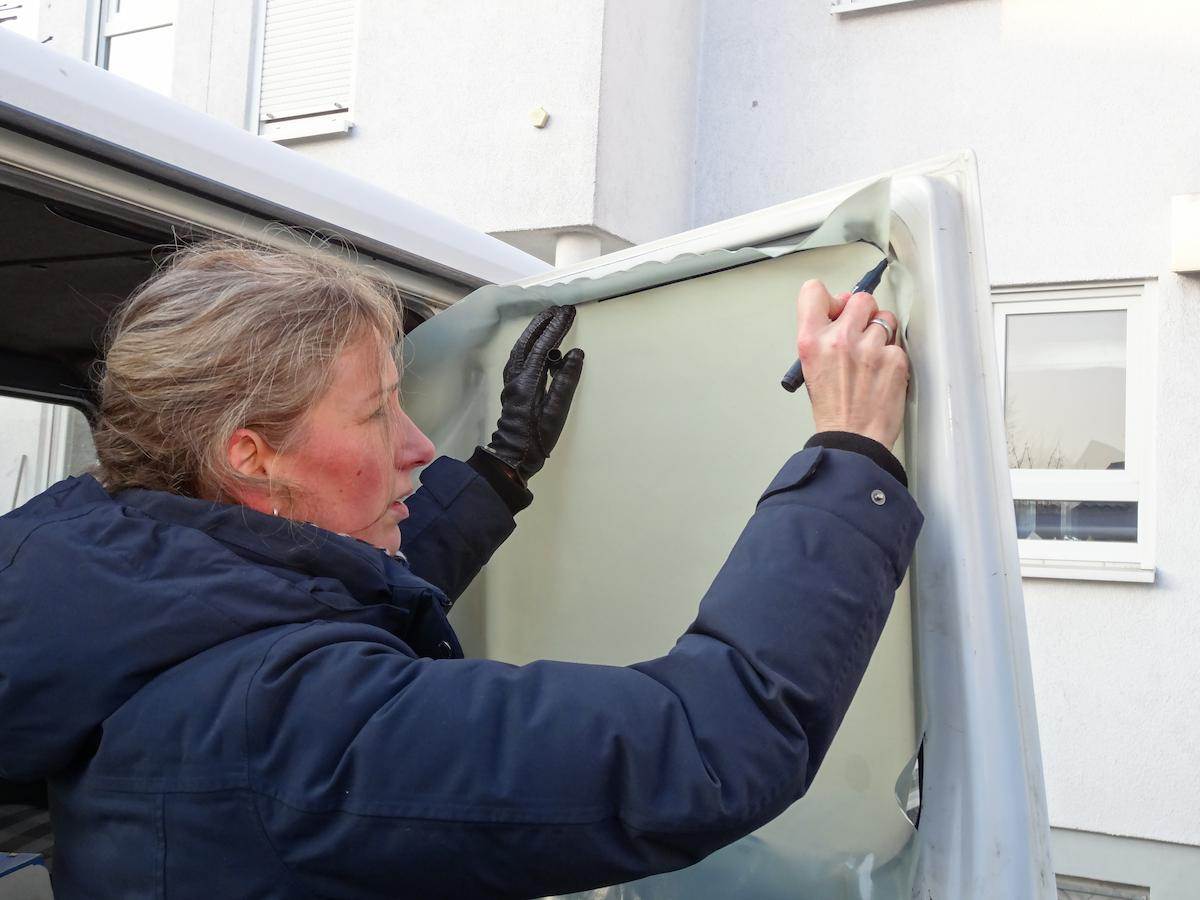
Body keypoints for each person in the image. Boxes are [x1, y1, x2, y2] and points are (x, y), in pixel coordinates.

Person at [0, 241, 920, 899]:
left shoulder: (112, 593)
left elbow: (300, 606)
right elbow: (704, 747)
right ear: (252, 456)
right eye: (375, 414)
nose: (417, 447)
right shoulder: (285, 734)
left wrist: (497, 474)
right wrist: (851, 453)